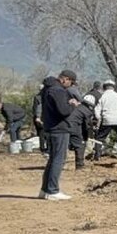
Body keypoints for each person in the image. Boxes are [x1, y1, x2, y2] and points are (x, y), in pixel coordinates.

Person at [39, 71, 78, 200]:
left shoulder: (47, 89)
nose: (70, 86)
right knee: (59, 159)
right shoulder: (59, 90)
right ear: (65, 79)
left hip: (49, 127)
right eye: (71, 83)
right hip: (59, 128)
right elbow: (63, 111)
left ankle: (45, 190)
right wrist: (72, 105)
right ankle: (53, 190)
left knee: (52, 159)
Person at [92, 80, 117, 159]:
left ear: (104, 87)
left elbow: (97, 110)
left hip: (107, 119)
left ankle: (97, 155)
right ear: (113, 87)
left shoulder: (103, 96)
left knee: (99, 138)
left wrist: (98, 118)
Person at [68, 91, 96, 170]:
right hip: (74, 128)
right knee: (80, 145)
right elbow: (86, 126)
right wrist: (86, 137)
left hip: (65, 127)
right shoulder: (87, 111)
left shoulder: (77, 107)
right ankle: (80, 165)